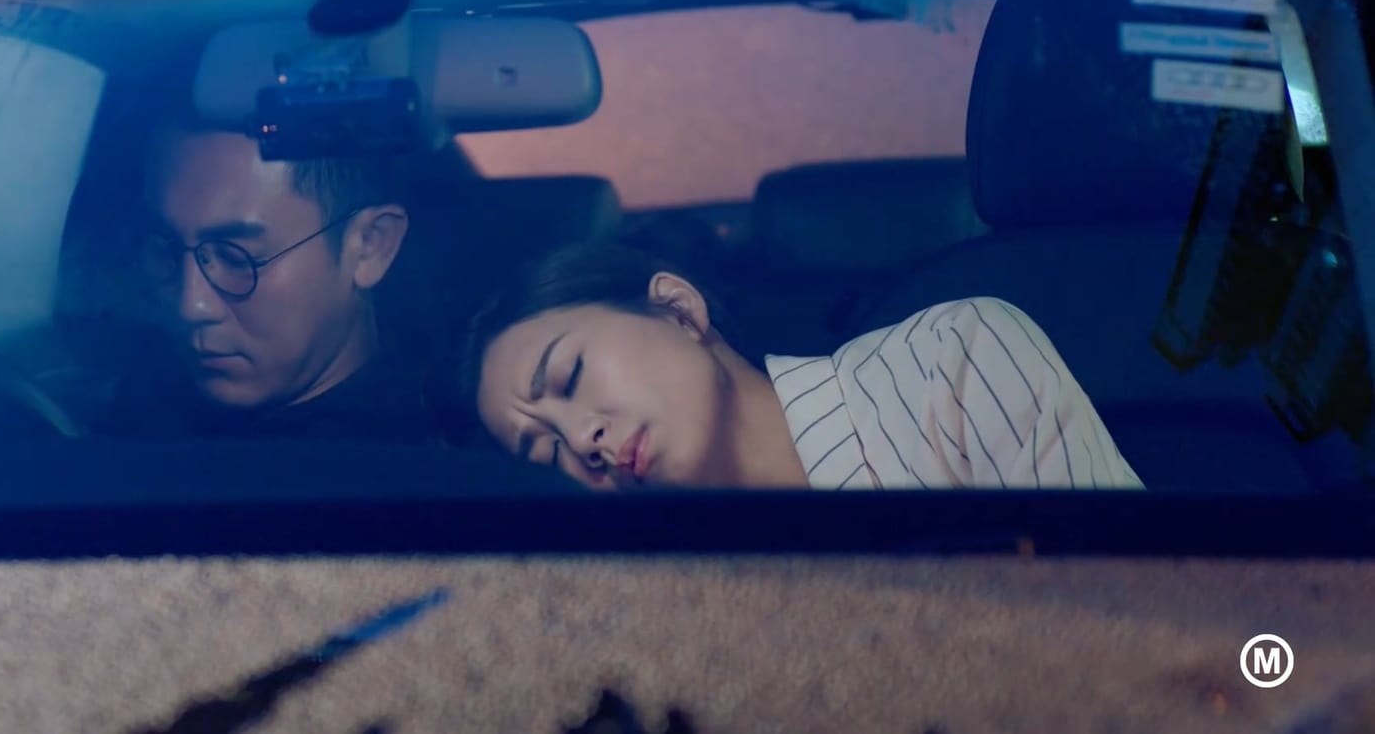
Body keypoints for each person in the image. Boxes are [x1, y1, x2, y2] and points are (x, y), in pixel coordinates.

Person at [461, 242, 1145, 490]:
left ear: (677, 309)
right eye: (546, 452)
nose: (582, 441)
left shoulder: (952, 362)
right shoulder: (655, 599)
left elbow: (1127, 626)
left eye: (569, 377)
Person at [108, 122, 425, 440]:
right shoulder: (139, 413)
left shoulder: (398, 460)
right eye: (166, 249)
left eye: (237, 258)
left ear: (370, 245)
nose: (191, 307)